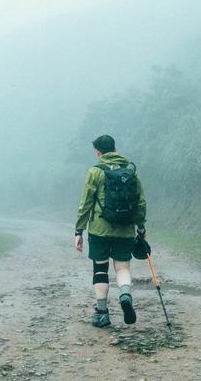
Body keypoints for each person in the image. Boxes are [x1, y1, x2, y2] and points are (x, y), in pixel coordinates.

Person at [74, 135, 147, 327]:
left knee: (100, 269)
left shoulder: (95, 172)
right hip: (125, 229)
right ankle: (125, 294)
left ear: (98, 153)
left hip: (99, 230)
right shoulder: (130, 171)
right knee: (122, 268)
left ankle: (102, 313)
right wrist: (140, 227)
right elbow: (140, 203)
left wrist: (78, 231)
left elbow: (85, 204)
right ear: (115, 148)